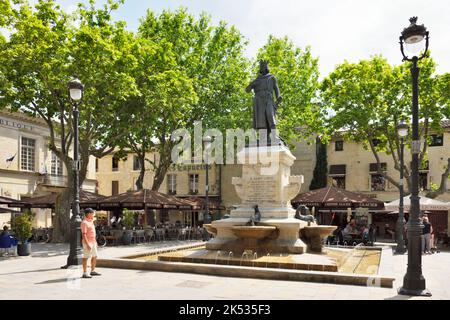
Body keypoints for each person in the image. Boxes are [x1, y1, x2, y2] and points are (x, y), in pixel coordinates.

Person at [246, 60, 283, 145]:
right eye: (262, 67)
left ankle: (274, 136)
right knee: (261, 119)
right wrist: (250, 85)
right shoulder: (257, 79)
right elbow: (247, 89)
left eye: (264, 67)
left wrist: (278, 96)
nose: (263, 69)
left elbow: (276, 88)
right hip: (259, 100)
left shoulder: (271, 78)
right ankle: (264, 138)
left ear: (267, 68)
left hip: (268, 99)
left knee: (270, 116)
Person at [81, 208, 101, 278]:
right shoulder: (84, 222)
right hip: (88, 243)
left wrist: (95, 242)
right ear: (89, 214)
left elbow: (93, 233)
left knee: (95, 256)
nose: (93, 215)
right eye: (92, 213)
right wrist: (87, 244)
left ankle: (92, 271)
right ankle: (84, 273)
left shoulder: (91, 221)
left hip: (93, 242)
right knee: (86, 257)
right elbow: (84, 234)